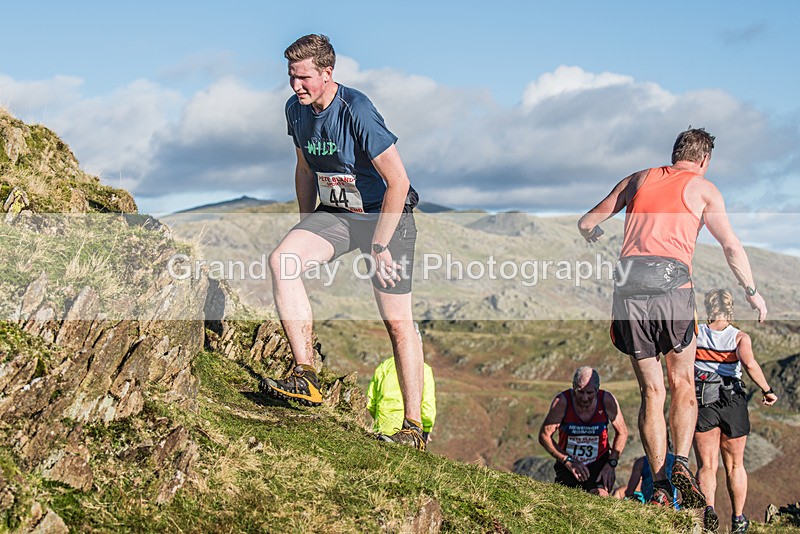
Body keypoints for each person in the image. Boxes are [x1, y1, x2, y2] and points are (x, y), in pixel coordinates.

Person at [578, 128, 768, 507]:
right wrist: (751, 291)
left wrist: (593, 233)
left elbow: (586, 221)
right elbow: (730, 245)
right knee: (681, 382)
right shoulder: (703, 188)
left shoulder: (638, 178)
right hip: (673, 287)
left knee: (652, 391)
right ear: (703, 160)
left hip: (628, 288)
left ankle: (661, 483)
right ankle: (681, 461)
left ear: (675, 152)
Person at [262, 34, 426, 450]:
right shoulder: (295, 111)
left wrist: (381, 245)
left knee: (397, 322)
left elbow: (398, 182)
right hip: (338, 212)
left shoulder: (357, 110)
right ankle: (306, 375)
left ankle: (412, 428)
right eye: (291, 78)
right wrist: (306, 225)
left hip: (385, 215)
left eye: (304, 78)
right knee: (283, 260)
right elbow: (304, 169)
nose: (296, 86)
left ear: (327, 74)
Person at [693, 289, 778, 533]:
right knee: (736, 466)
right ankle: (738, 519)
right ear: (730, 309)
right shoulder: (739, 337)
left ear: (709, 308)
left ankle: (708, 510)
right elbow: (749, 363)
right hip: (732, 401)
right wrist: (767, 389)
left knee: (707, 466)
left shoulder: (695, 332)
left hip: (703, 401)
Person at [539, 367, 628, 496]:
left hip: (598, 463)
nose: (585, 398)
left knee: (600, 498)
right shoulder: (562, 402)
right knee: (566, 502)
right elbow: (544, 436)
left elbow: (622, 432)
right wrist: (567, 460)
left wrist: (611, 463)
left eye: (590, 393)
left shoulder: (606, 400)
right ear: (573, 387)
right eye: (580, 392)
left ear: (597, 389)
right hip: (569, 463)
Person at [367, 332, 436, 443]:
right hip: (409, 430)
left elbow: (371, 402)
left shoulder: (384, 366)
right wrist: (426, 429)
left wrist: (378, 419)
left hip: (382, 427)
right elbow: (427, 404)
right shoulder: (424, 369)